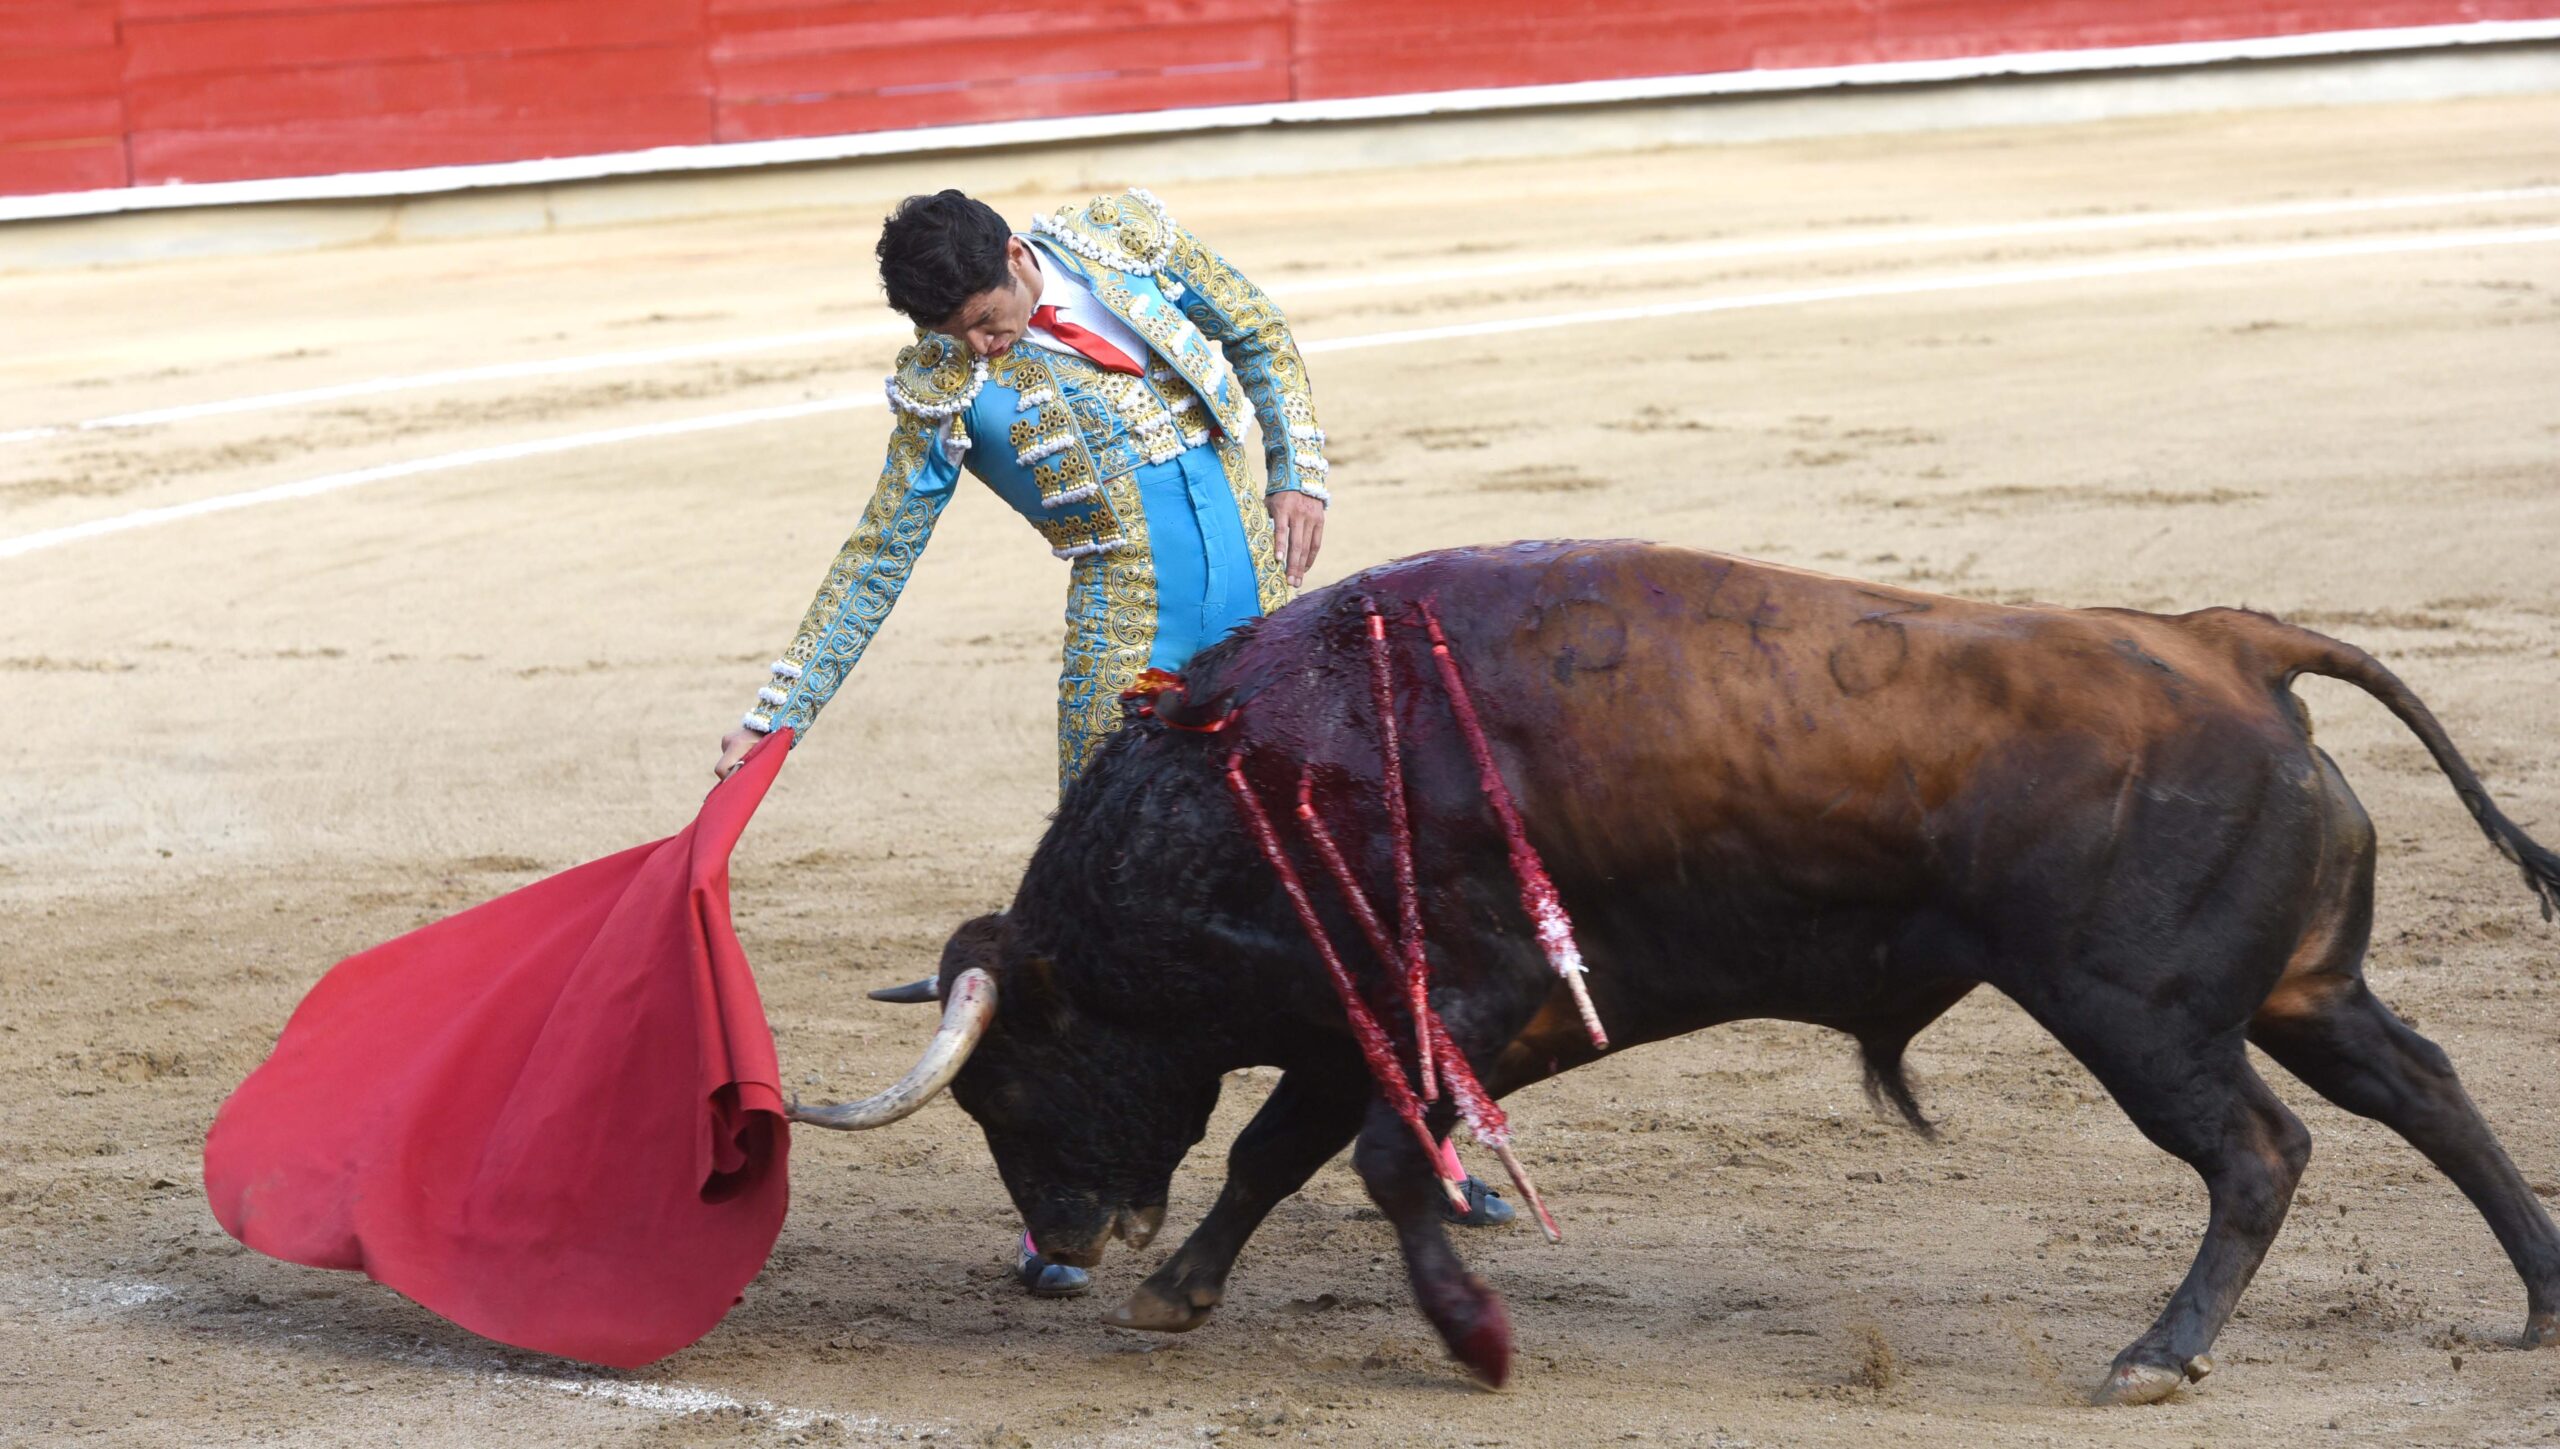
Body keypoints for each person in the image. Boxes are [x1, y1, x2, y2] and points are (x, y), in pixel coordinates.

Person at [714, 187, 1512, 1297]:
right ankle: (1065, 1205)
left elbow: (1259, 331)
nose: (984, 347)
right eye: (956, 337)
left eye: (988, 319)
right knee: (1093, 947)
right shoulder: (941, 391)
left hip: (1270, 633)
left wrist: (1299, 468)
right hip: (1128, 662)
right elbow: (876, 557)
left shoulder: (1121, 239)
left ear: (1012, 252)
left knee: (1348, 883)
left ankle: (1432, 1142)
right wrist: (780, 707)